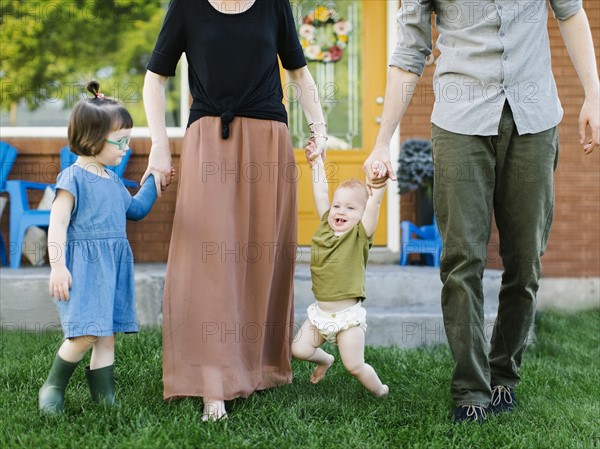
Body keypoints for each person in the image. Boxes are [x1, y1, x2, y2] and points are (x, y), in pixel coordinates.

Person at [364, 1, 599, 423]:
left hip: (534, 118)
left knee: (525, 260)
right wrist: (383, 141)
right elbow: (409, 50)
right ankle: (471, 390)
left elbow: (571, 12)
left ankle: (503, 375)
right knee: (462, 261)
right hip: (460, 122)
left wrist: (593, 95)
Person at [142, 0, 327, 421]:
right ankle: (213, 385)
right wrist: (159, 145)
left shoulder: (274, 5)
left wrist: (319, 130)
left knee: (260, 257)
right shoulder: (187, 6)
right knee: (209, 262)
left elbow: (297, 71)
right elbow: (154, 80)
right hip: (209, 138)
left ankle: (257, 368)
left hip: (268, 139)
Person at [39, 81, 162, 414]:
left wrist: (153, 178)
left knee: (106, 336)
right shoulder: (73, 178)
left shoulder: (113, 180)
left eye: (128, 141)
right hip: (84, 269)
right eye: (120, 141)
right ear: (92, 140)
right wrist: (58, 265)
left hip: (113, 267)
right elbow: (58, 225)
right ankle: (53, 384)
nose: (125, 148)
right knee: (86, 334)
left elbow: (135, 210)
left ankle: (104, 398)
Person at [292, 148, 389, 397]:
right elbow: (321, 192)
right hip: (320, 315)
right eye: (337, 206)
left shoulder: (360, 236)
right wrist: (316, 164)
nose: (340, 212)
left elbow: (374, 204)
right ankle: (325, 360)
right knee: (299, 350)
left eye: (350, 208)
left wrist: (377, 187)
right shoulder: (325, 227)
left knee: (354, 366)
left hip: (347, 318)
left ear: (361, 215)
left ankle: (381, 390)